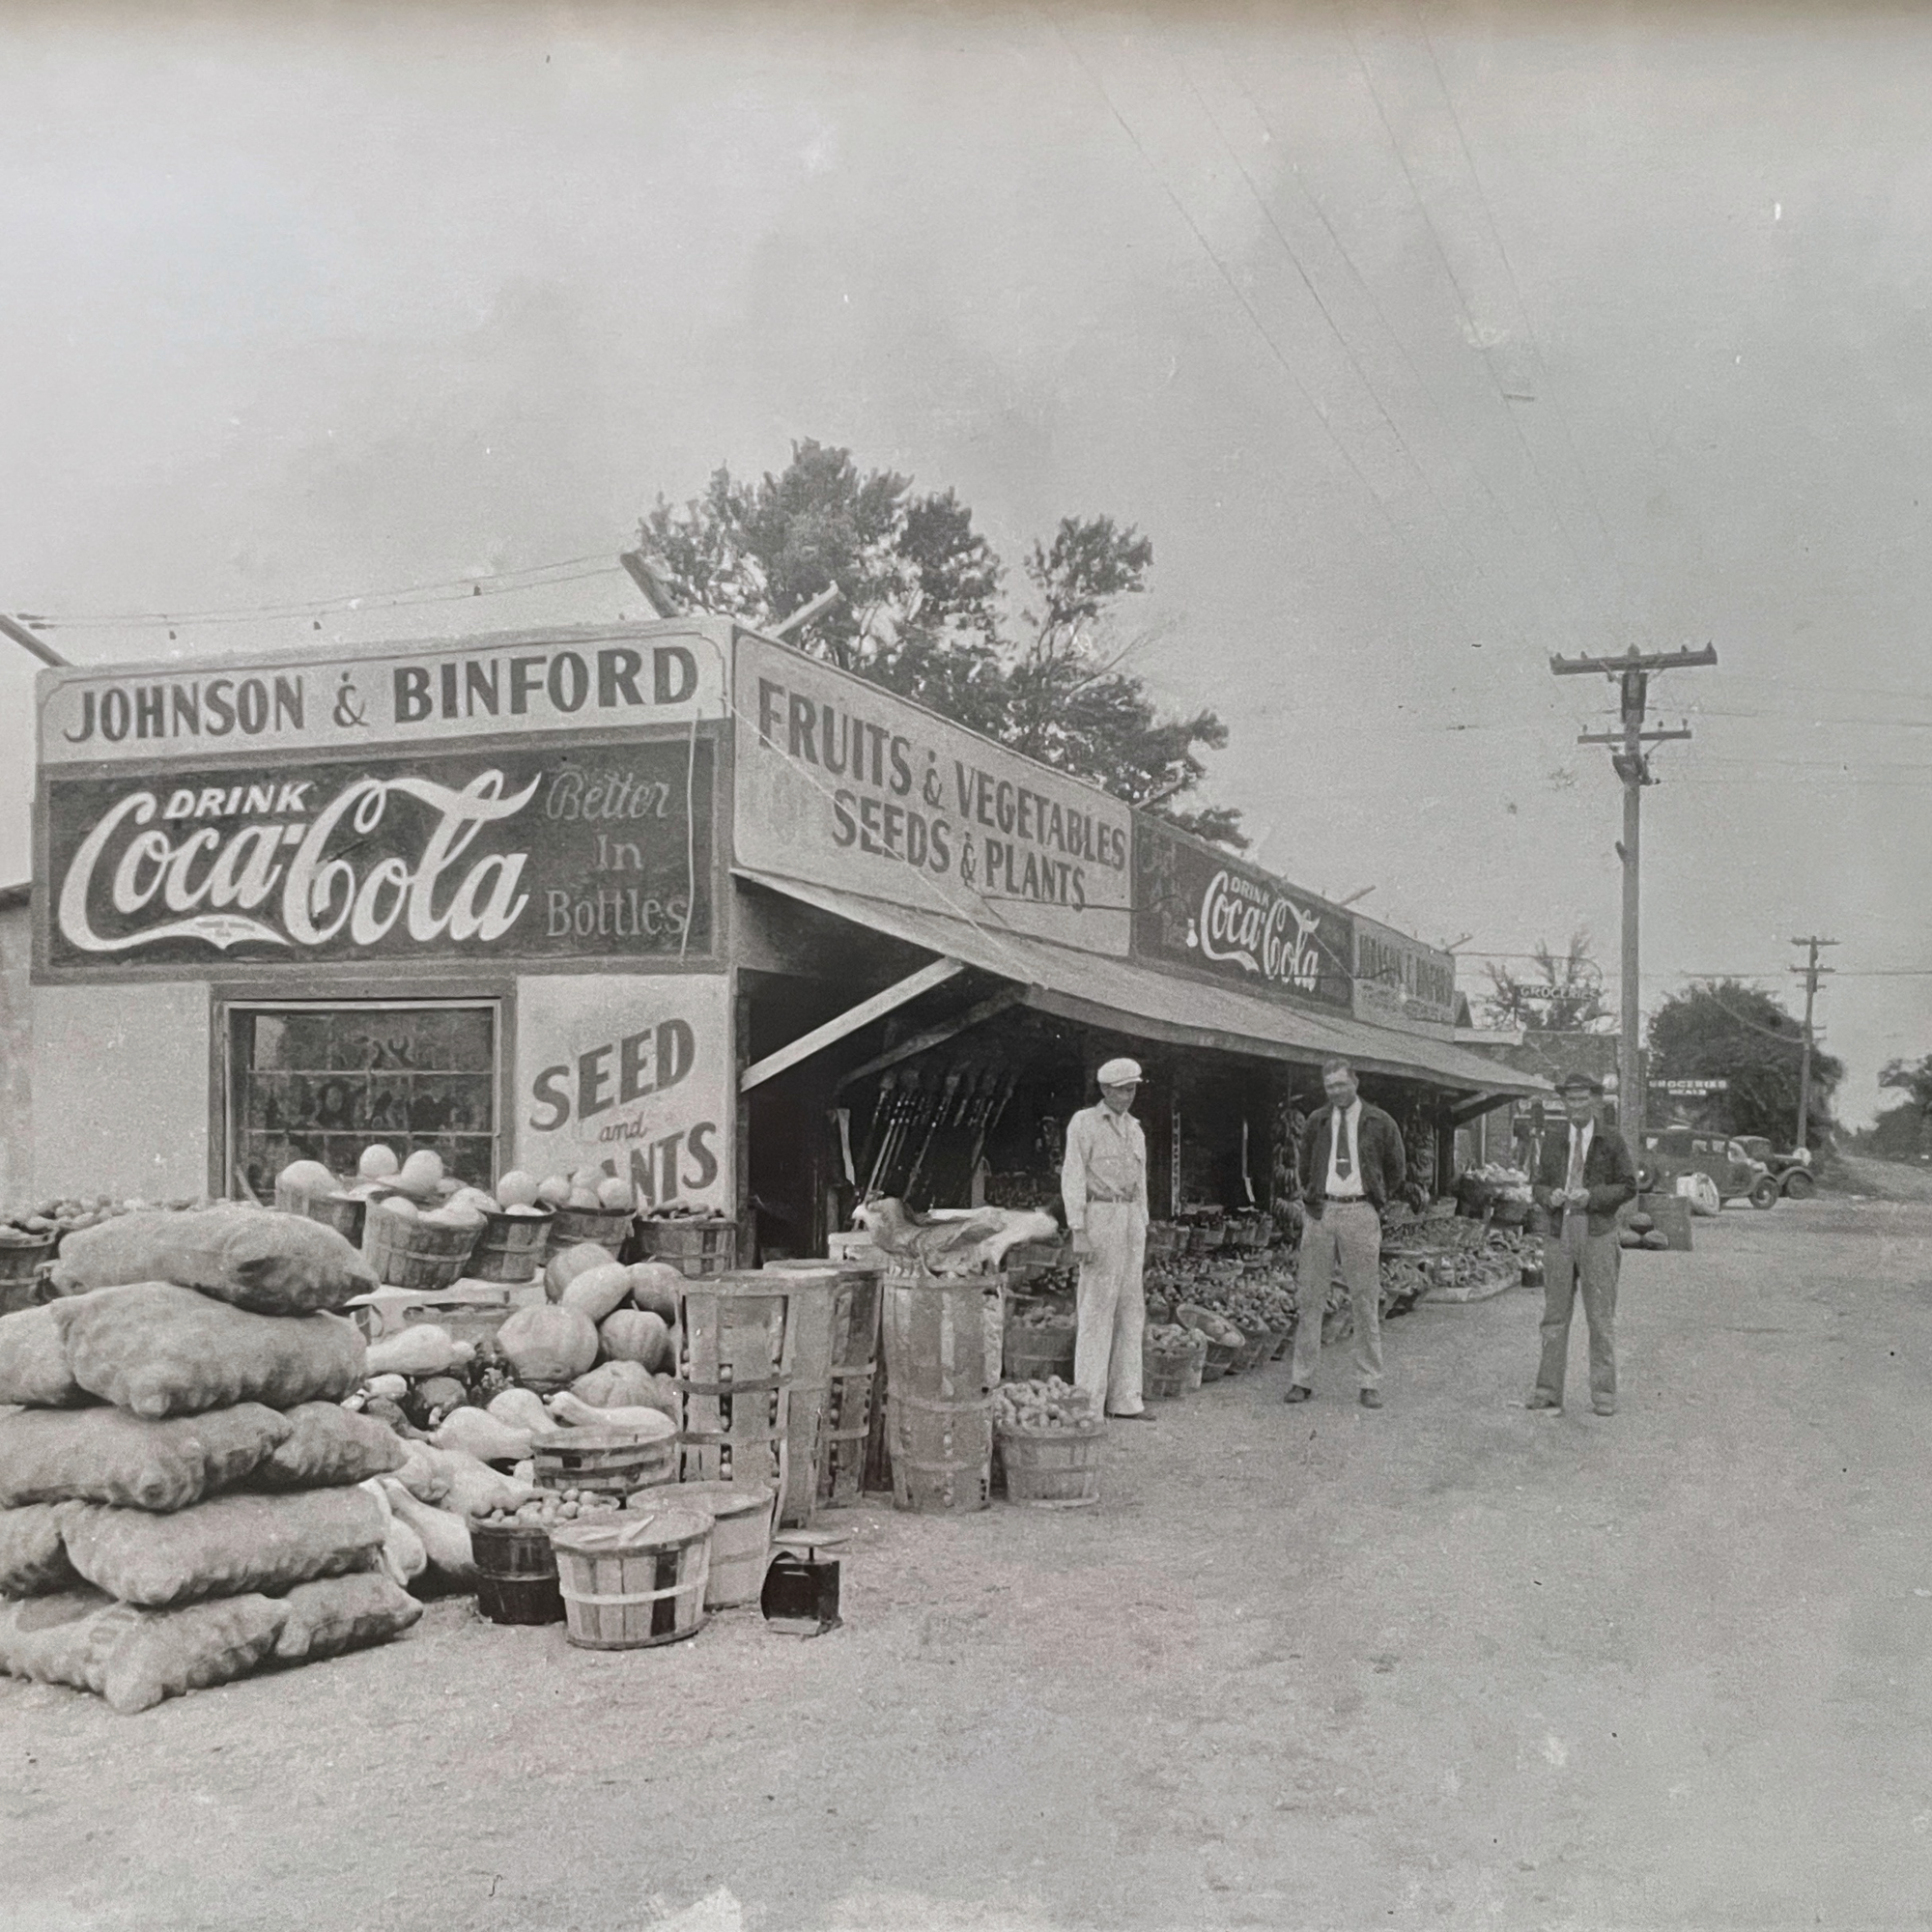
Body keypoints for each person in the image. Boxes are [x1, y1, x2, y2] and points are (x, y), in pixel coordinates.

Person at [1287, 1057, 1407, 1409]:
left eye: (1341, 1084)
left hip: (1359, 1211)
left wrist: (1374, 1199)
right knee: (1310, 1298)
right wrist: (1314, 1196)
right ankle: (1301, 1380)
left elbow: (1396, 1169)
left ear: (1355, 1082)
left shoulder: (1379, 1122)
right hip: (1321, 1213)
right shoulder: (1317, 1121)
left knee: (1365, 1299)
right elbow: (1304, 1164)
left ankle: (1369, 1381)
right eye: (1329, 1087)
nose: (1336, 1092)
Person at [1528, 1071, 1636, 1416]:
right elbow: (1538, 1185)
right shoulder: (1555, 1138)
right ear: (1563, 1103)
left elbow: (1628, 1186)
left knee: (1600, 1316)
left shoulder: (1611, 1140)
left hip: (1598, 1231)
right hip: (1560, 1231)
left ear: (1595, 1101)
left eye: (1581, 1099)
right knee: (1554, 1316)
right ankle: (1547, 1391)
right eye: (1569, 1100)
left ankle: (1603, 1395)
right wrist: (1550, 1196)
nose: (1575, 1106)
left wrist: (1593, 1196)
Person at [1061, 1057, 1153, 1421]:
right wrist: (1078, 1229)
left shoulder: (1136, 1129)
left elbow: (1141, 1181)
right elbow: (1072, 1175)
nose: (1127, 1097)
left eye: (1132, 1089)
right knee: (1097, 1308)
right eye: (1120, 1090)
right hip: (1100, 1215)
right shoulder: (1084, 1123)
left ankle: (1126, 1399)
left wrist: (1143, 1221)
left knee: (1132, 1307)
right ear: (1104, 1090)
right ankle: (1089, 1402)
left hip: (1130, 1218)